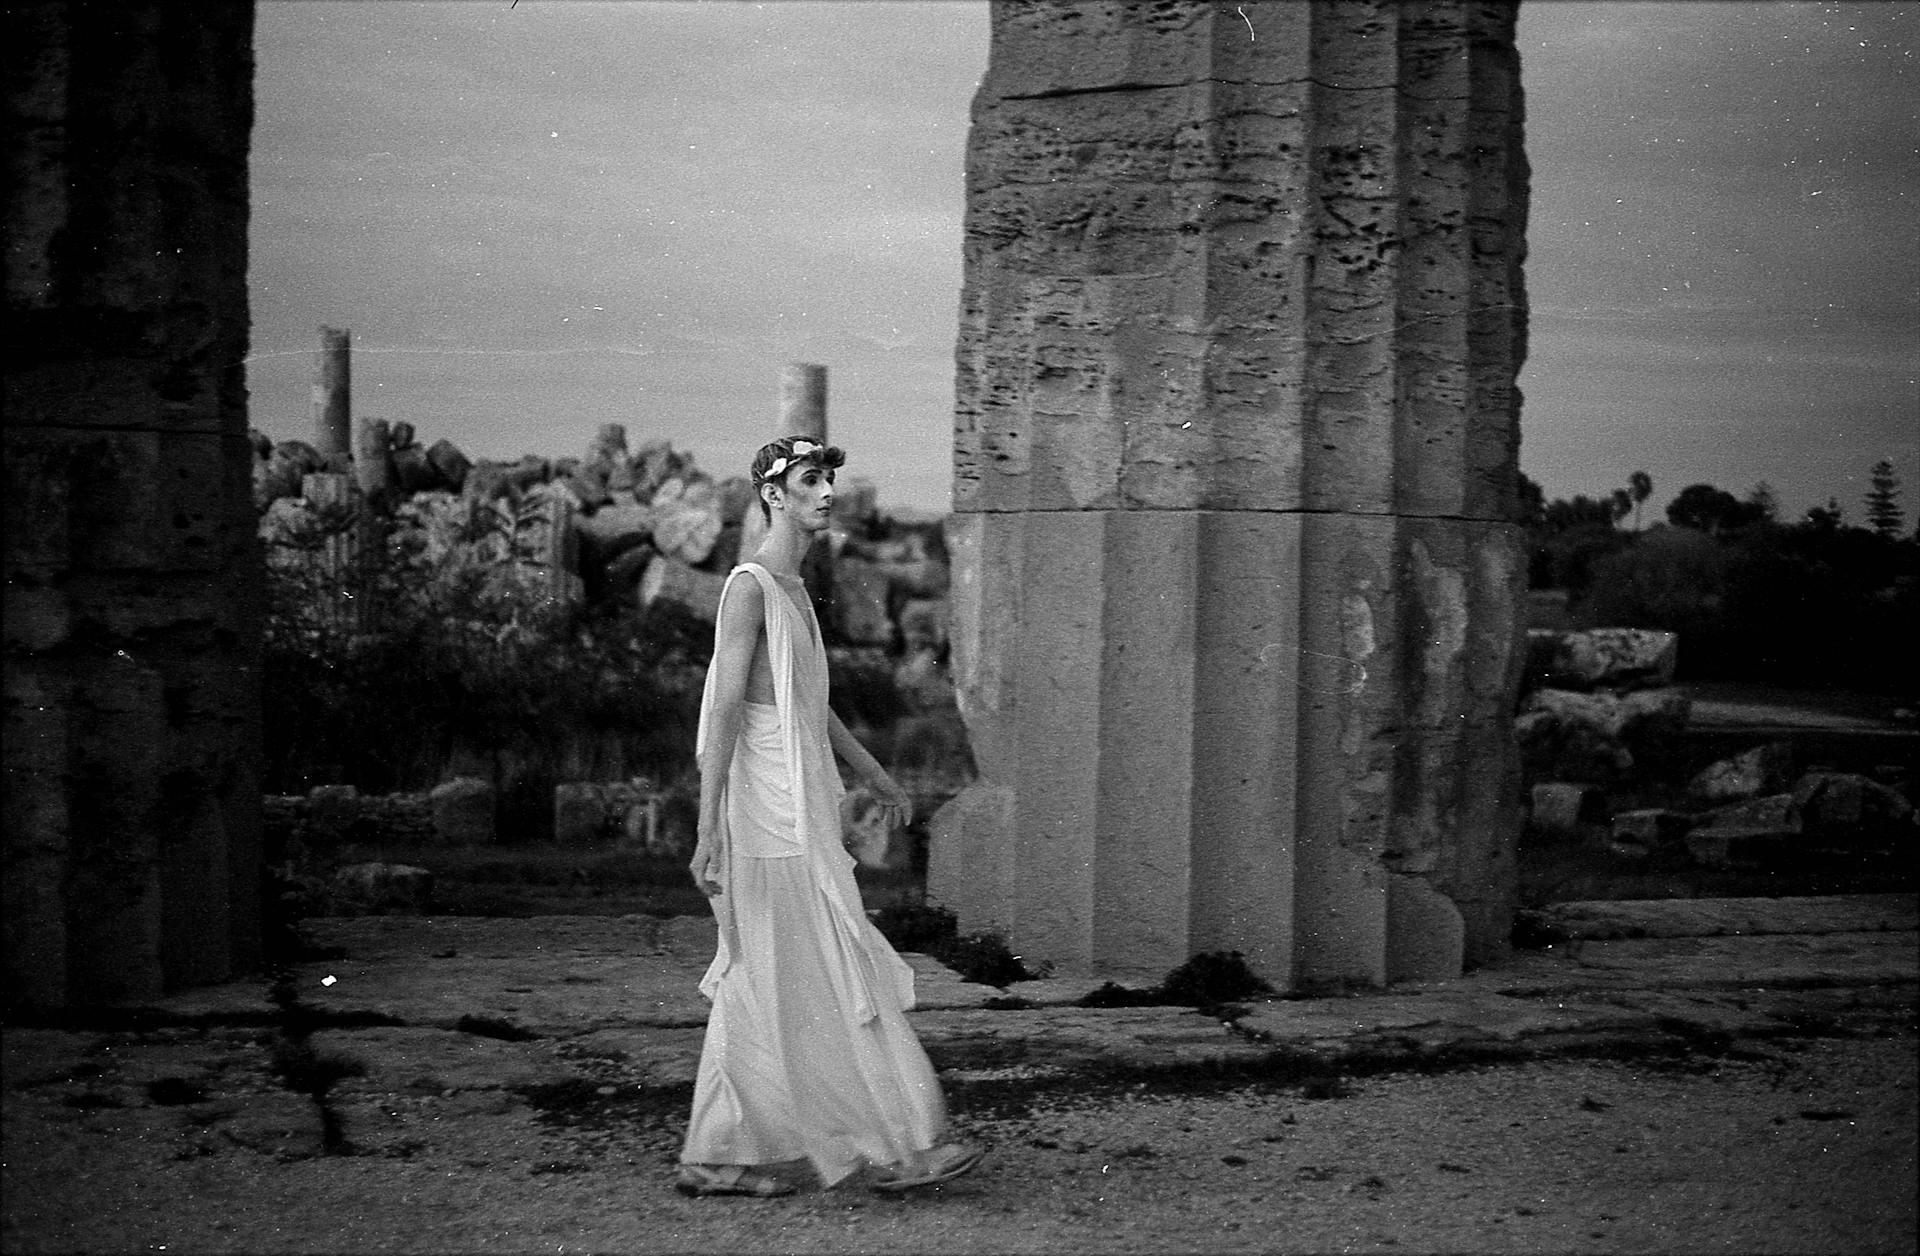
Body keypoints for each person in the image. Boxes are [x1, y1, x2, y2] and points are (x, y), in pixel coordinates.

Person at [675, 435, 985, 1198]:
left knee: (769, 974)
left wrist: (876, 772)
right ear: (774, 495)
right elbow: (721, 716)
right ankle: (905, 1146)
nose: (827, 493)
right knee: (825, 960)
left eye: (828, 481)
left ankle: (719, 1156)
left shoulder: (795, 590)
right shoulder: (748, 588)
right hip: (762, 810)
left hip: (799, 801)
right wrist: (707, 827)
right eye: (811, 481)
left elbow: (812, 706)